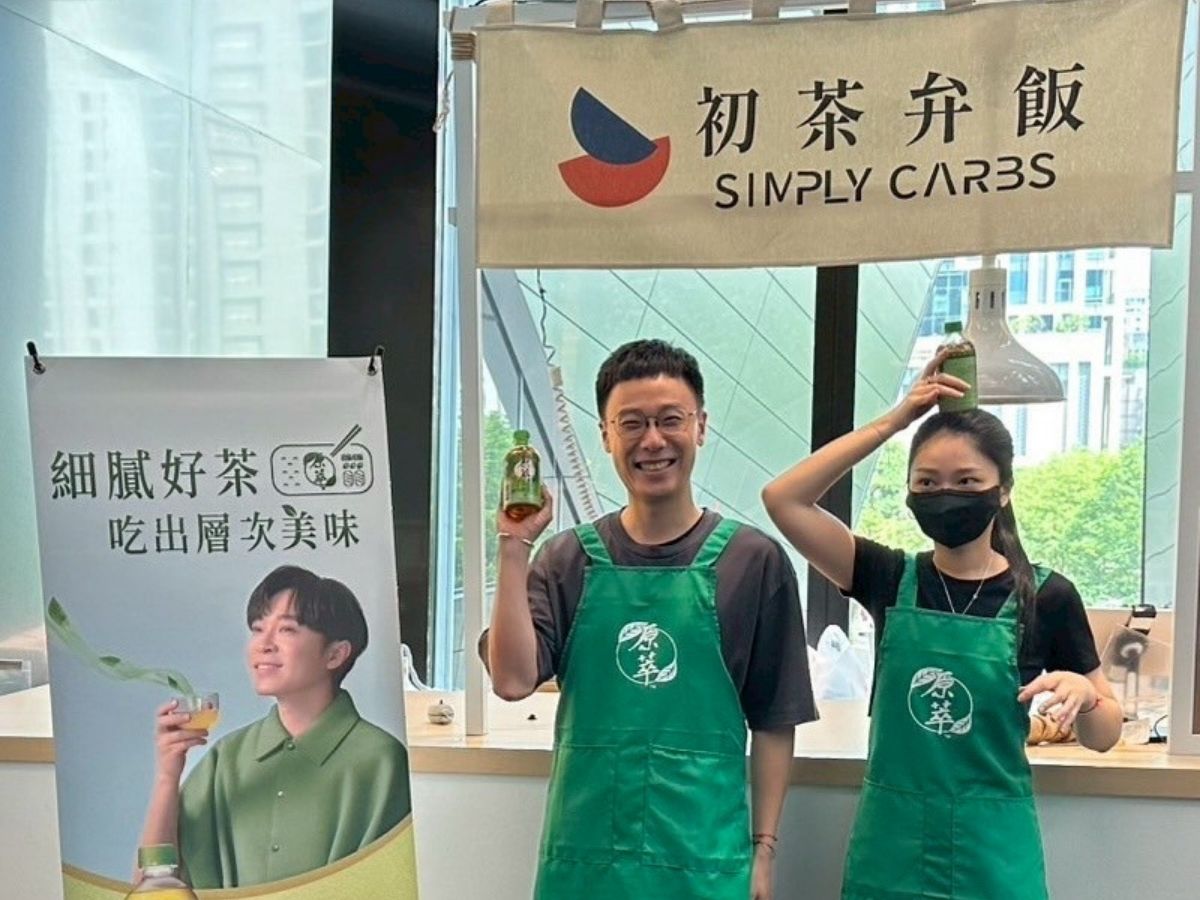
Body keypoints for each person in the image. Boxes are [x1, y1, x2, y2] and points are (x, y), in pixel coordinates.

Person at [762, 356, 1121, 900]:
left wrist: (1087, 698)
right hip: (892, 853)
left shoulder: (1046, 596)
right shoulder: (885, 576)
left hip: (993, 857)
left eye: (967, 481)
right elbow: (783, 499)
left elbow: (1105, 736)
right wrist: (894, 421)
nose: (945, 495)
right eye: (927, 482)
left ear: (1003, 490)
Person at [483, 339, 817, 900]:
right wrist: (514, 545)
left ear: (701, 426)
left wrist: (764, 850)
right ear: (605, 435)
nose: (653, 441)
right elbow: (512, 681)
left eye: (671, 420)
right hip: (585, 865)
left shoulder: (752, 562)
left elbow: (774, 719)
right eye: (632, 423)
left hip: (705, 863)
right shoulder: (567, 560)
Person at [138, 565, 411, 889]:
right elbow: (149, 885)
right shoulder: (227, 758)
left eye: (287, 629)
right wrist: (167, 777)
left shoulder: (381, 760)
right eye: (257, 629)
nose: (263, 644)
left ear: (335, 654)